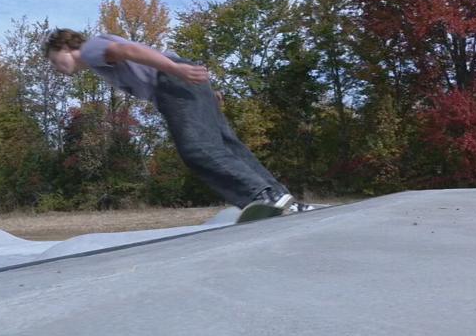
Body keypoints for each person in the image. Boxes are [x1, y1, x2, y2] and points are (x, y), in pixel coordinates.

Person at [43, 29, 298, 212]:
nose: (57, 68)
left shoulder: (89, 51)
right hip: (181, 83)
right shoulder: (96, 58)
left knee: (197, 149)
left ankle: (263, 197)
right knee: (226, 145)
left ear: (65, 47)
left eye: (55, 61)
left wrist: (174, 70)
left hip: (171, 80)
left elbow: (129, 51)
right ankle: (282, 198)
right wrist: (204, 92)